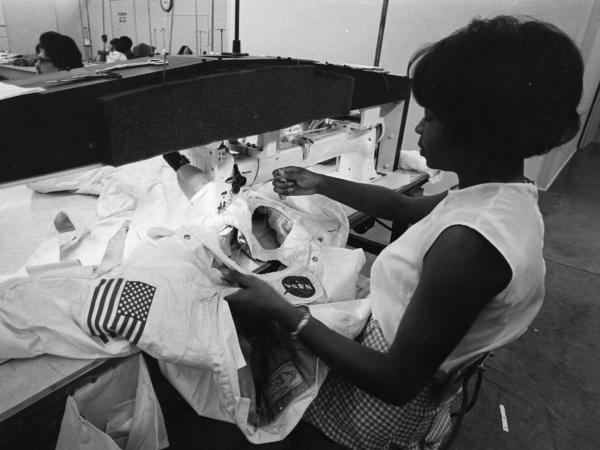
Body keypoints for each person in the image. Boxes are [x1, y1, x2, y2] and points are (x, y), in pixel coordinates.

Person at [220, 15, 583, 449]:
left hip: (375, 410)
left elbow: (394, 382)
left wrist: (283, 312)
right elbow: (402, 207)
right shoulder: (503, 197)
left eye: (429, 118)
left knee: (237, 351)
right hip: (408, 364)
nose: (416, 127)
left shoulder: (471, 245)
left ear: (478, 132)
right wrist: (319, 182)